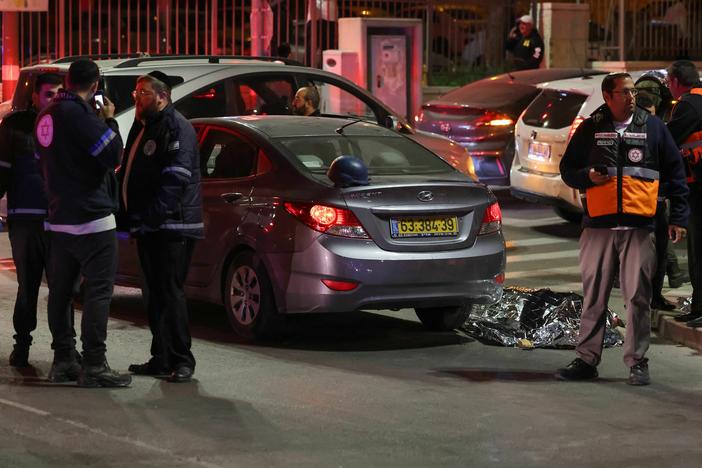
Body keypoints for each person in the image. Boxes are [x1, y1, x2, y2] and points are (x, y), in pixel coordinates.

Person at [557, 72, 688, 385]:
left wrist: (678, 218)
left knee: (638, 297)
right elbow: (567, 171)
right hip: (598, 227)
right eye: (625, 92)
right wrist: (588, 176)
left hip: (639, 227)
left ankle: (637, 362)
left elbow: (676, 173)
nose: (632, 97)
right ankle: (586, 360)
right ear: (608, 96)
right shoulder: (591, 127)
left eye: (632, 91)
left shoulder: (653, 127)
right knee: (594, 297)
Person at [34, 58, 131, 387]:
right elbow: (113, 155)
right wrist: (110, 121)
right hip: (92, 219)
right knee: (98, 293)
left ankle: (63, 359)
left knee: (60, 293)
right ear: (95, 84)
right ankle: (93, 363)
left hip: (58, 219)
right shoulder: (80, 114)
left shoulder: (45, 116)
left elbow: (41, 163)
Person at [121, 71, 203, 383]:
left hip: (172, 226)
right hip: (149, 226)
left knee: (170, 292)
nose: (136, 98)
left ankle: (182, 359)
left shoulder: (175, 126)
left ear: (161, 96)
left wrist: (151, 217)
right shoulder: (144, 127)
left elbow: (175, 181)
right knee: (154, 294)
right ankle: (161, 356)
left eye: (142, 93)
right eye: (135, 93)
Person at [0, 73, 63, 367]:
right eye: (49, 94)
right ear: (35, 96)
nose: (54, 100)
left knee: (62, 288)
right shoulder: (15, 126)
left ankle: (64, 350)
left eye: (59, 94)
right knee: (28, 286)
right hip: (25, 219)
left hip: (60, 221)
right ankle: (22, 345)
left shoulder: (69, 124)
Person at [635, 76, 689, 312]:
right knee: (639, 259)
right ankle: (641, 299)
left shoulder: (658, 131)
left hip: (655, 205)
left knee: (657, 255)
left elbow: (675, 172)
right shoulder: (629, 133)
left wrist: (677, 216)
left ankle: (654, 297)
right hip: (635, 208)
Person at [666, 60, 702, 327]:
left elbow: (668, 140)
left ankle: (700, 308)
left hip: (698, 187)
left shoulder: (688, 105)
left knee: (698, 250)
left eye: (669, 82)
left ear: (677, 82)